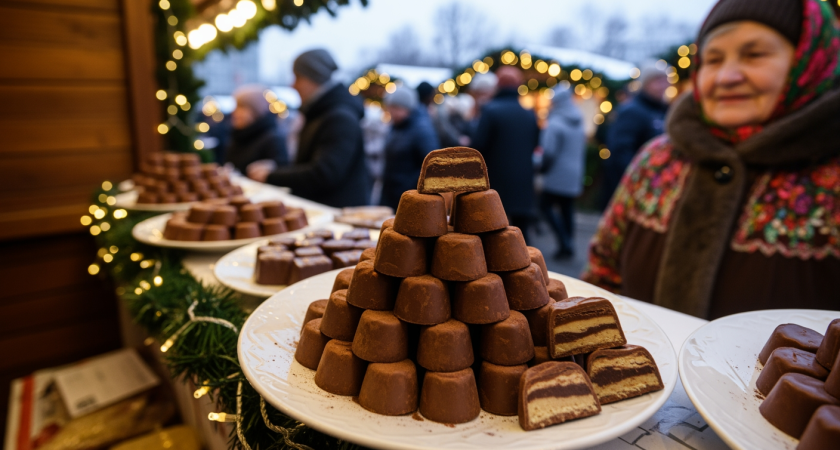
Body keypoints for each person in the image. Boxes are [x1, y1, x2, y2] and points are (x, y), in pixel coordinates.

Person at [582, 0, 840, 319]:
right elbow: (602, 273)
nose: (726, 76)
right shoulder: (658, 159)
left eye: (754, 54)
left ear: (811, 61)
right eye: (713, 59)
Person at [247, 49, 369, 207]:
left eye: (298, 77)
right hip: (324, 210)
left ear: (314, 77)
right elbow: (310, 164)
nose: (293, 85)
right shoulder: (320, 113)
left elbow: (324, 174)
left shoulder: (340, 117)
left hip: (339, 217)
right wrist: (278, 169)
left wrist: (271, 175)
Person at [473, 66, 540, 242]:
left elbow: (478, 146)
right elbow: (535, 144)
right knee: (522, 237)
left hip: (496, 182)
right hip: (523, 181)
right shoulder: (529, 114)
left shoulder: (490, 110)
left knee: (491, 235)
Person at [600, 63, 670, 208]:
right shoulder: (632, 111)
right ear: (645, 83)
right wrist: (639, 182)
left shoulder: (665, 111)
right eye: (657, 80)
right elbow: (620, 152)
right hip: (634, 190)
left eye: (665, 80)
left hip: (658, 189)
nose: (663, 85)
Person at [539, 88, 587, 259]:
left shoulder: (555, 122)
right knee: (567, 208)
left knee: (545, 206)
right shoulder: (579, 120)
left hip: (557, 173)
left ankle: (564, 241)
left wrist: (541, 167)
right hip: (575, 173)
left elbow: (549, 151)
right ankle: (569, 245)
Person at [379, 86, 440, 210]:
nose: (391, 112)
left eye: (395, 108)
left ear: (406, 108)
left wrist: (413, 187)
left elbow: (432, 165)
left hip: (410, 198)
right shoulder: (396, 126)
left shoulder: (422, 129)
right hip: (391, 194)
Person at [224, 84, 288, 173]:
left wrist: (271, 171)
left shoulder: (273, 138)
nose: (235, 112)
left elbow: (282, 169)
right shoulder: (238, 136)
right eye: (236, 106)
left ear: (256, 111)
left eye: (242, 107)